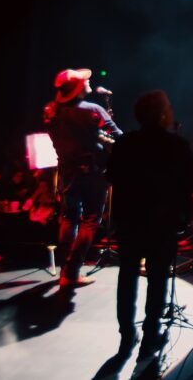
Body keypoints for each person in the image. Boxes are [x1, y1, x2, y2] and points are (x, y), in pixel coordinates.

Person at [107, 90, 193, 358]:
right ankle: (151, 336)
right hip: (162, 223)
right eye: (168, 108)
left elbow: (112, 175)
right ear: (161, 114)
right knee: (157, 280)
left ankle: (127, 335)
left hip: (129, 221)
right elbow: (192, 181)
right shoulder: (176, 145)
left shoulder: (126, 143)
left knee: (127, 277)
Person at [43, 68, 122, 288]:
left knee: (69, 220)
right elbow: (119, 137)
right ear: (78, 89)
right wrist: (102, 140)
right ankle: (72, 272)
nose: (89, 81)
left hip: (67, 172)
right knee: (90, 221)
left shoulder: (50, 110)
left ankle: (64, 270)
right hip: (93, 174)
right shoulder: (93, 110)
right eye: (84, 81)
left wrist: (93, 136)